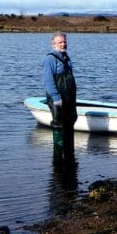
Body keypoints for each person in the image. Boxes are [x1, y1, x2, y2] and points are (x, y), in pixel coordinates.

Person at [42, 32, 77, 163]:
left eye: (64, 42)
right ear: (53, 44)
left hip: (69, 97)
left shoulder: (66, 57)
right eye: (60, 42)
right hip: (57, 98)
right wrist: (56, 98)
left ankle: (70, 158)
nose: (63, 44)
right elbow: (48, 81)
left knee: (70, 122)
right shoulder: (49, 59)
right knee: (59, 125)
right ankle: (58, 160)